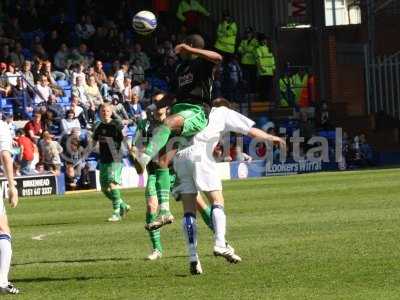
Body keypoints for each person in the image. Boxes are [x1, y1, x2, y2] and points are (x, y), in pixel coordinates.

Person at [173, 98, 285, 274]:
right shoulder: (222, 112)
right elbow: (250, 130)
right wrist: (271, 137)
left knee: (188, 210)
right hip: (200, 153)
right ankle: (219, 243)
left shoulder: (192, 111)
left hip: (180, 156)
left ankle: (193, 257)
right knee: (217, 201)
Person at [134, 93, 214, 260]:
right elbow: (137, 145)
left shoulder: (175, 121)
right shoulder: (144, 124)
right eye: (155, 102)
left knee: (199, 204)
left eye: (161, 102)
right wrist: (138, 154)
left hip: (176, 171)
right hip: (156, 173)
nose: (159, 105)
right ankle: (157, 249)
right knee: (150, 206)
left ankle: (220, 236)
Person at [133, 34, 222, 175]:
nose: (180, 48)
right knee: (160, 162)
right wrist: (154, 107)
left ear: (190, 46)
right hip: (178, 112)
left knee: (167, 122)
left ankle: (144, 157)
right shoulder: (180, 68)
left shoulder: (203, 62)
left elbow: (218, 57)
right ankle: (166, 195)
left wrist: (190, 50)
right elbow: (172, 95)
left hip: (197, 111)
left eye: (184, 45)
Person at [92, 103, 130, 222]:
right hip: (103, 159)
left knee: (112, 183)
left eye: (107, 111)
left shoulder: (116, 124)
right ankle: (123, 205)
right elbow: (93, 142)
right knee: (104, 189)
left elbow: (124, 137)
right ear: (100, 112)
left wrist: (130, 148)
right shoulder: (98, 126)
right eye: (103, 111)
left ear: (111, 112)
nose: (105, 112)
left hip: (115, 158)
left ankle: (116, 213)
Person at [0, 120, 20, 294]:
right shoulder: (2, 127)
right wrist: (12, 186)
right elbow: (5, 155)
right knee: (2, 230)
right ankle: (2, 281)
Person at [254, 34, 276, 102]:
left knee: (267, 87)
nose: (265, 41)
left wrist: (273, 68)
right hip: (264, 72)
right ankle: (263, 100)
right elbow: (258, 60)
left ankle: (266, 100)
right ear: (261, 40)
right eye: (264, 39)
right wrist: (262, 69)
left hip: (269, 72)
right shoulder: (259, 49)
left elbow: (272, 59)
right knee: (264, 87)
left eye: (265, 39)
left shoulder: (268, 48)